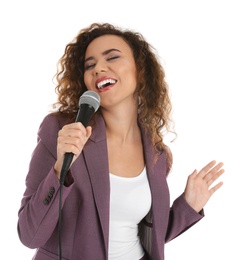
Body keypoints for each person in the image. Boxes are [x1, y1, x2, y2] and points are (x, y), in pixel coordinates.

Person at [17, 23, 224, 260]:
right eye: (89, 65)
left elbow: (146, 235)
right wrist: (59, 169)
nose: (98, 68)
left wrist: (188, 206)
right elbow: (29, 235)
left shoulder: (157, 154)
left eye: (112, 57)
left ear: (140, 69)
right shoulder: (63, 131)